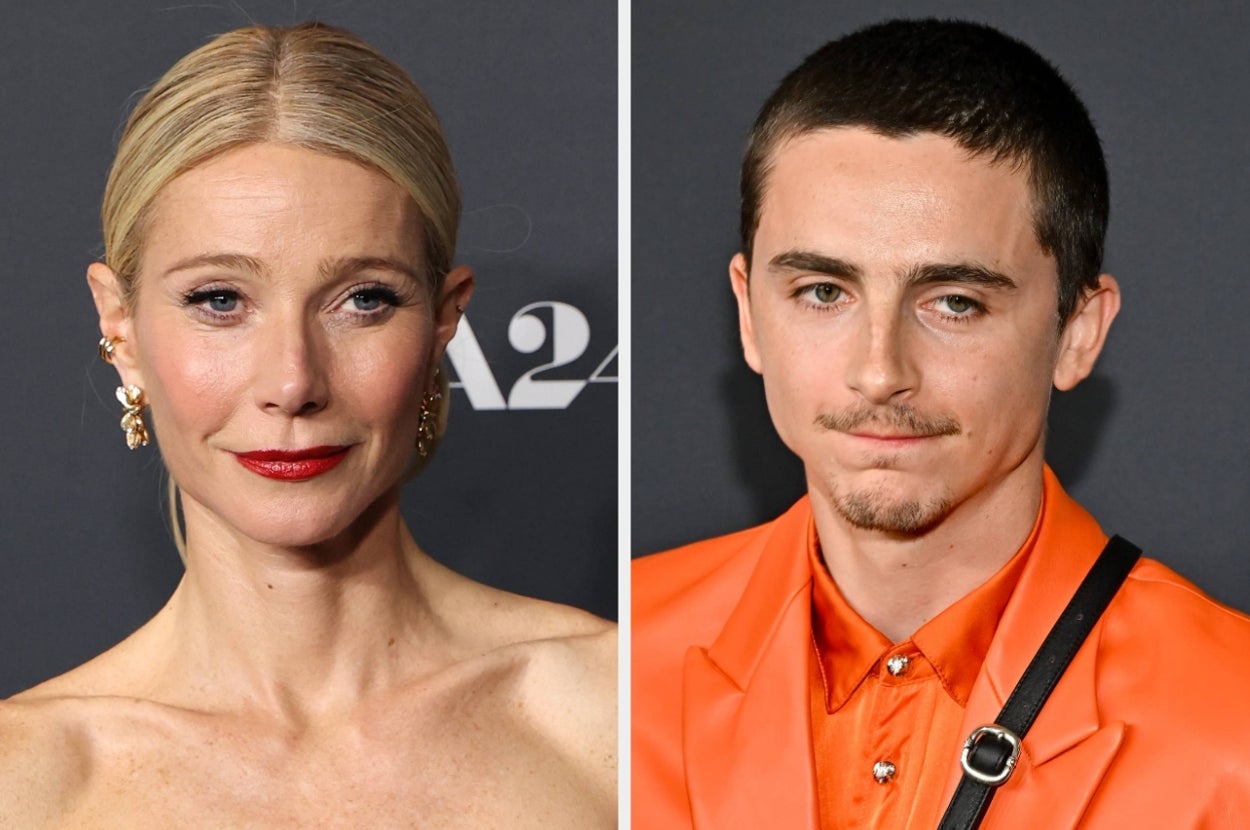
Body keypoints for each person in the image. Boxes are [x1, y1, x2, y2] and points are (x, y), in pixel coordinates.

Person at [633, 18, 1250, 829]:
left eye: (954, 302)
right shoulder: (615, 664)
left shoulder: (1232, 728)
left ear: (1078, 331)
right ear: (749, 315)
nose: (879, 371)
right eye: (824, 292)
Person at [0, 23, 614, 827]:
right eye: (220, 300)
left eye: (364, 300)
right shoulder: (25, 783)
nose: (293, 382)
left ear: (443, 322)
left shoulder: (616, 710)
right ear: (121, 328)